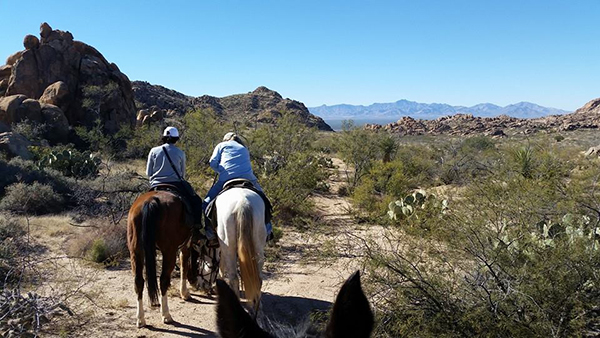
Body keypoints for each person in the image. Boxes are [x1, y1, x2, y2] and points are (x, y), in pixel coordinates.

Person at [146, 126, 218, 246]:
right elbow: (182, 174)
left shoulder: (153, 151)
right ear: (176, 139)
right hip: (176, 184)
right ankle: (196, 229)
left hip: (156, 184)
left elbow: (149, 172)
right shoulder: (180, 153)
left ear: (164, 137)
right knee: (196, 201)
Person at [205, 132, 273, 239]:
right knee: (264, 200)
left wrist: (220, 170)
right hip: (248, 178)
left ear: (225, 139)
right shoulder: (244, 148)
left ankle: (209, 231)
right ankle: (268, 229)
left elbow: (212, 162)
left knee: (206, 202)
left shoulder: (221, 145)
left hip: (226, 178)